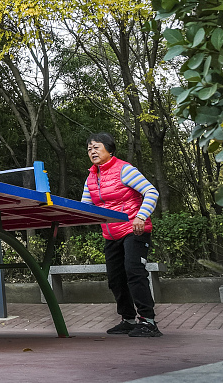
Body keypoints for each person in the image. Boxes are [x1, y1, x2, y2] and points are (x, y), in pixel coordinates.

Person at [82, 132, 162, 338]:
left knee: (134, 272)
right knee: (115, 278)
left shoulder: (125, 170)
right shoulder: (91, 177)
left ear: (109, 149)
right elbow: (84, 207)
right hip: (111, 234)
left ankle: (148, 321)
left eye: (96, 147)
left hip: (134, 230)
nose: (92, 151)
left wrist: (141, 217)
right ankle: (127, 319)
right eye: (89, 148)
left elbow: (151, 192)